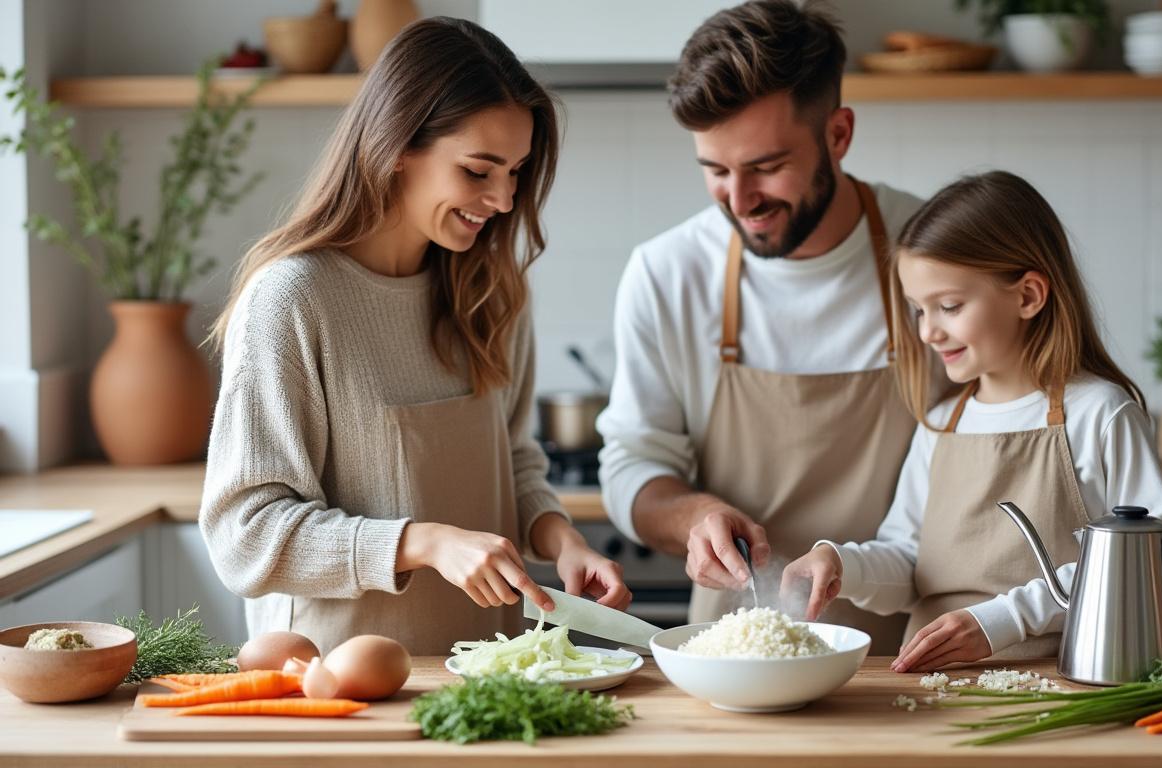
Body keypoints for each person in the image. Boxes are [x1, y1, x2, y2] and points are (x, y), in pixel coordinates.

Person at [200, 17, 630, 655]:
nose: (506, 200)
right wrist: (422, 542)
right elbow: (246, 536)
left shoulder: (493, 291)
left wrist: (559, 537)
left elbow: (512, 459)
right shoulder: (292, 299)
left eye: (516, 172)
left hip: (487, 675)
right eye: (479, 170)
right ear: (398, 145)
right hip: (337, 690)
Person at [597, 0, 926, 653]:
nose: (740, 202)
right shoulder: (668, 274)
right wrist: (694, 516)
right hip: (738, 656)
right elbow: (633, 464)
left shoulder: (931, 259)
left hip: (910, 655)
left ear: (838, 135)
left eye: (766, 167)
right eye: (716, 171)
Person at [782, 170, 1162, 671]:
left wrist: (1004, 619)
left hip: (1065, 681)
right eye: (917, 309)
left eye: (949, 306)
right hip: (932, 690)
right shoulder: (941, 424)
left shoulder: (1100, 413)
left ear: (1027, 296)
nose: (929, 331)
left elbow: (1161, 551)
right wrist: (843, 563)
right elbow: (910, 562)